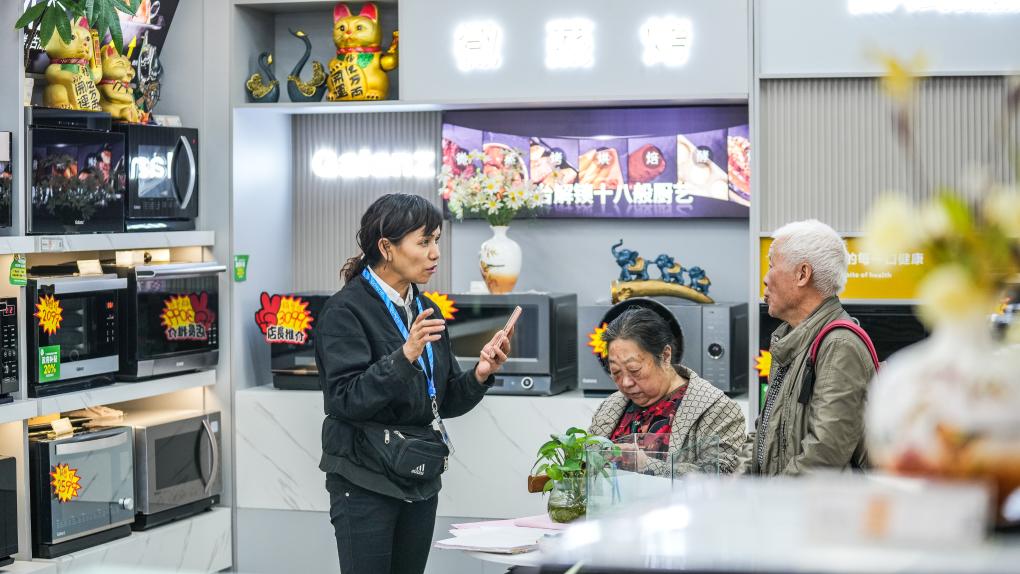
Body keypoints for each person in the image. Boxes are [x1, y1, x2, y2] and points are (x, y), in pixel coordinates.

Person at [315, 193, 513, 574]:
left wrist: (480, 373)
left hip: (418, 474)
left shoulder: (426, 309)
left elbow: (444, 400)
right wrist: (404, 356)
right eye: (423, 242)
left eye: (436, 240)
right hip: (364, 477)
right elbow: (344, 399)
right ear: (386, 247)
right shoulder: (345, 311)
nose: (435, 253)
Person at [751, 219, 876, 475]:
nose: (765, 279)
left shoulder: (839, 345)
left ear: (803, 274)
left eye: (771, 266)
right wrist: (741, 480)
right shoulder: (791, 341)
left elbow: (824, 455)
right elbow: (765, 431)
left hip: (808, 502)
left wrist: (769, 495)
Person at [588, 304, 747, 475]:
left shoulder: (718, 410)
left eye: (634, 370)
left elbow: (719, 477)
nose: (625, 383)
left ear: (665, 356)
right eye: (616, 372)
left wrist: (645, 464)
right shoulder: (610, 407)